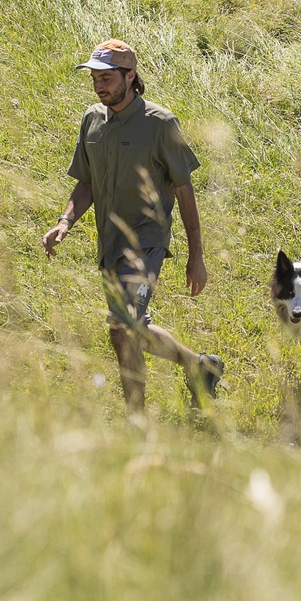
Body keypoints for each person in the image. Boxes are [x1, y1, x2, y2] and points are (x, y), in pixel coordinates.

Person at [42, 39, 224, 416]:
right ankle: (199, 367)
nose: (98, 86)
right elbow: (87, 182)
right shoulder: (92, 119)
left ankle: (136, 422)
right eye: (95, 78)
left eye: (106, 77)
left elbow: (184, 190)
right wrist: (65, 222)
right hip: (109, 246)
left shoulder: (160, 124)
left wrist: (197, 256)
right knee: (133, 326)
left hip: (145, 243)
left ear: (130, 76)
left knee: (122, 328)